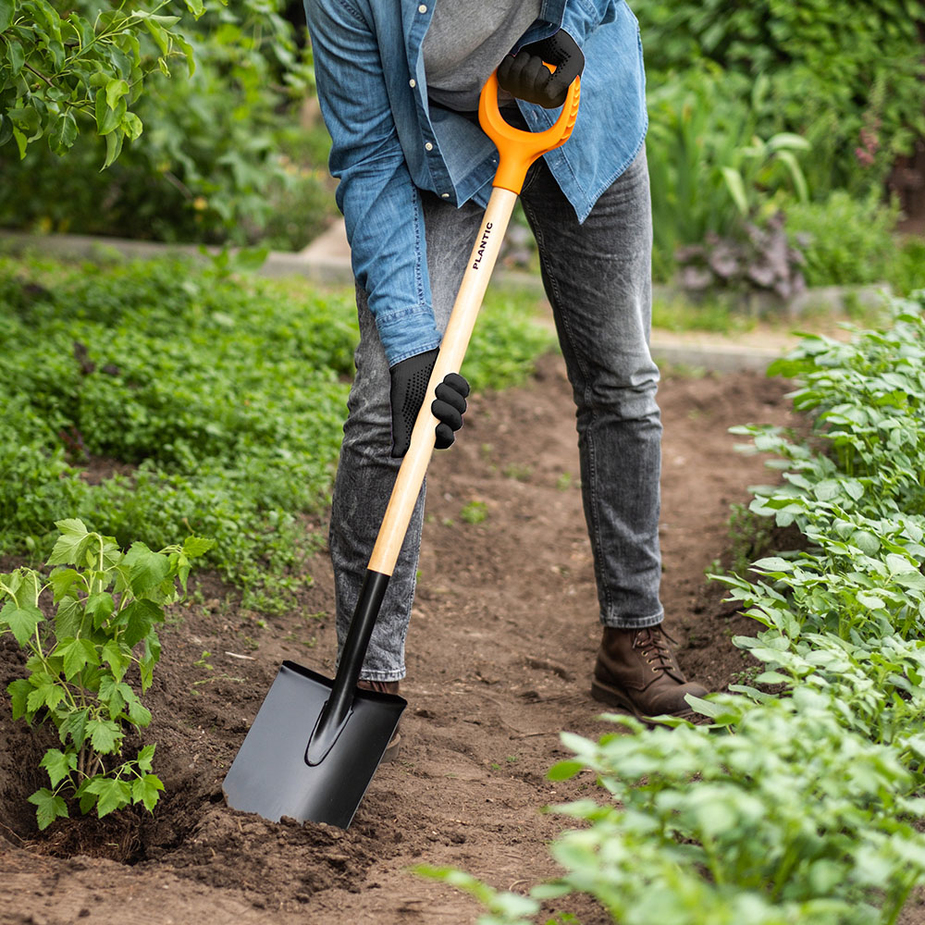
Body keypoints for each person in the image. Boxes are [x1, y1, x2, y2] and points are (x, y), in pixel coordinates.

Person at [303, 0, 708, 743]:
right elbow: (365, 154)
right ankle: (368, 671)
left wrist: (567, 30)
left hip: (576, 107)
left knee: (620, 377)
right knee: (383, 399)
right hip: (439, 143)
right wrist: (410, 340)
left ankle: (630, 634)